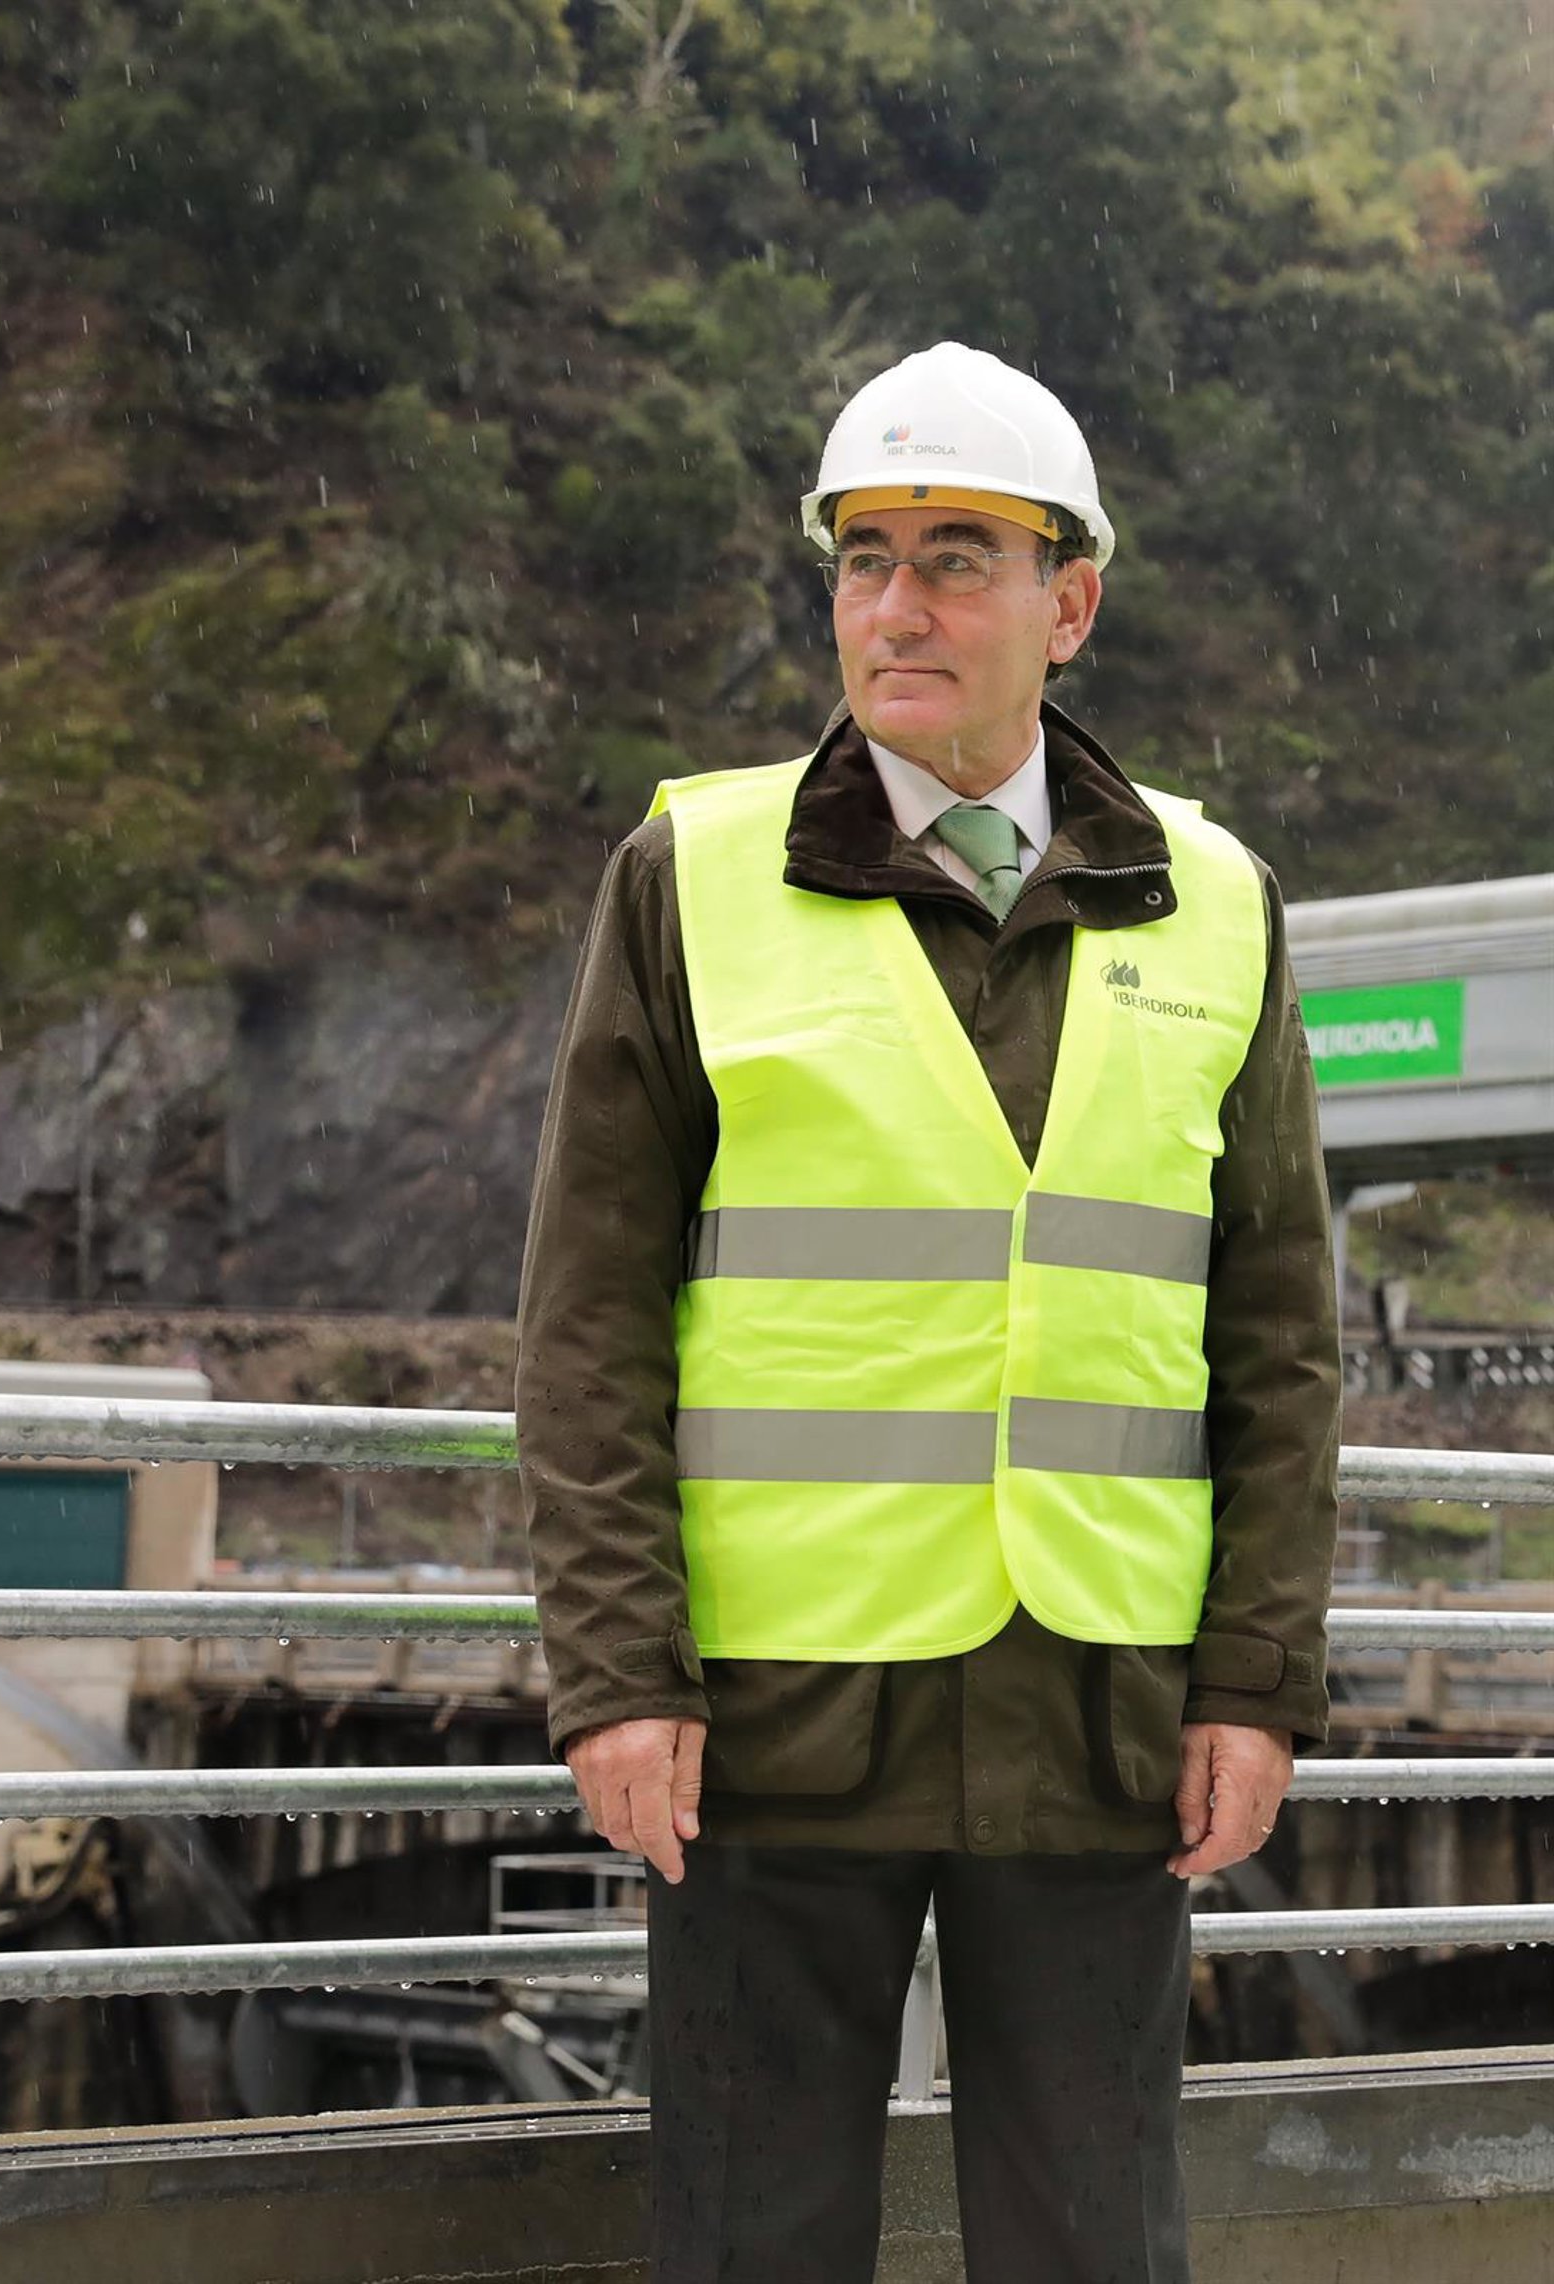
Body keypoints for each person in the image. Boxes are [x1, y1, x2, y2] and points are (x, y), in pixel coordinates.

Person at [515, 340, 1339, 2283]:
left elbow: (1278, 1336)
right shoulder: (692, 876)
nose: (897, 604)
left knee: (1094, 2239)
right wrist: (618, 1670)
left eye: (958, 557)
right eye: (865, 558)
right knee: (755, 2233)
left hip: (1099, 1704)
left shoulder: (1216, 901)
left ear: (1072, 603)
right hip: (769, 1712)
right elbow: (588, 1312)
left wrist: (1256, 1680)